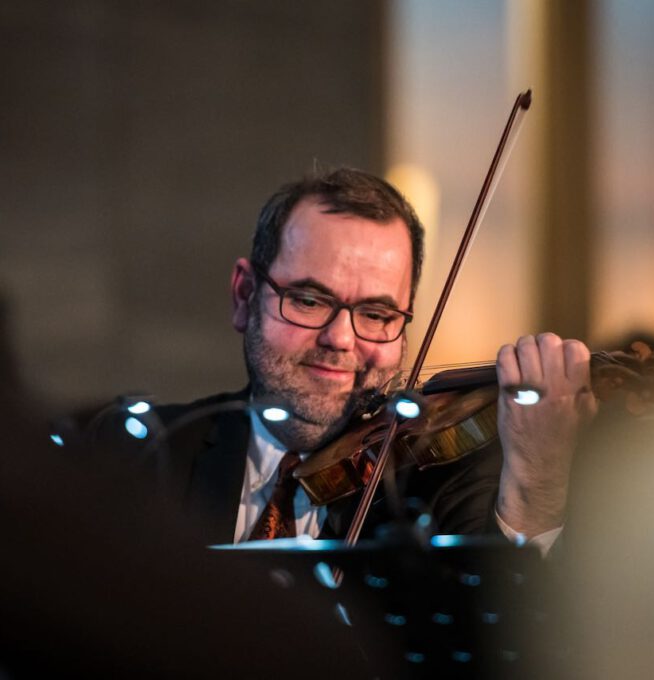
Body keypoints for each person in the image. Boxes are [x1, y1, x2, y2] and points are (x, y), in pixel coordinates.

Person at [142, 167, 597, 549]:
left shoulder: (445, 483)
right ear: (245, 296)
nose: (340, 339)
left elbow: (496, 634)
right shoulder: (144, 458)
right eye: (308, 300)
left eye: (376, 313)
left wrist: (536, 483)